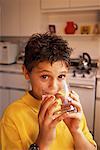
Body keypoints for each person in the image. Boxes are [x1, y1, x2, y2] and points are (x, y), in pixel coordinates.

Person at [0, 33, 97, 150]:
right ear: (26, 72)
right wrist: (43, 141)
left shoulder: (70, 109)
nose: (54, 87)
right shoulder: (12, 117)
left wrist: (76, 131)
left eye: (61, 76)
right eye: (45, 76)